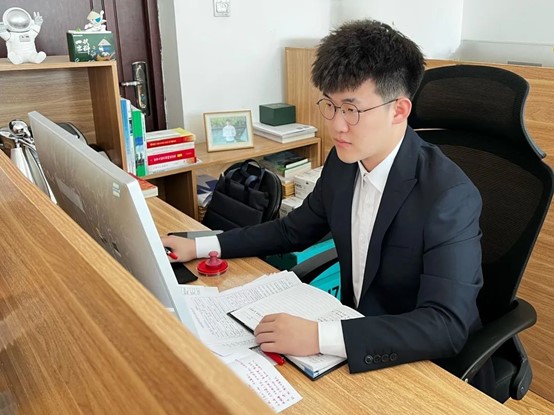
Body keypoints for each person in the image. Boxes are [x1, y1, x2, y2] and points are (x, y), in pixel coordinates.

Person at [162, 19, 493, 392]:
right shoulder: (343, 163)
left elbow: (446, 325)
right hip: (351, 338)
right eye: (330, 106)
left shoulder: (449, 196)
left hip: (424, 368)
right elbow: (292, 230)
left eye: (351, 110)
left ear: (399, 110)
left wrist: (320, 337)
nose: (336, 126)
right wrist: (203, 245)